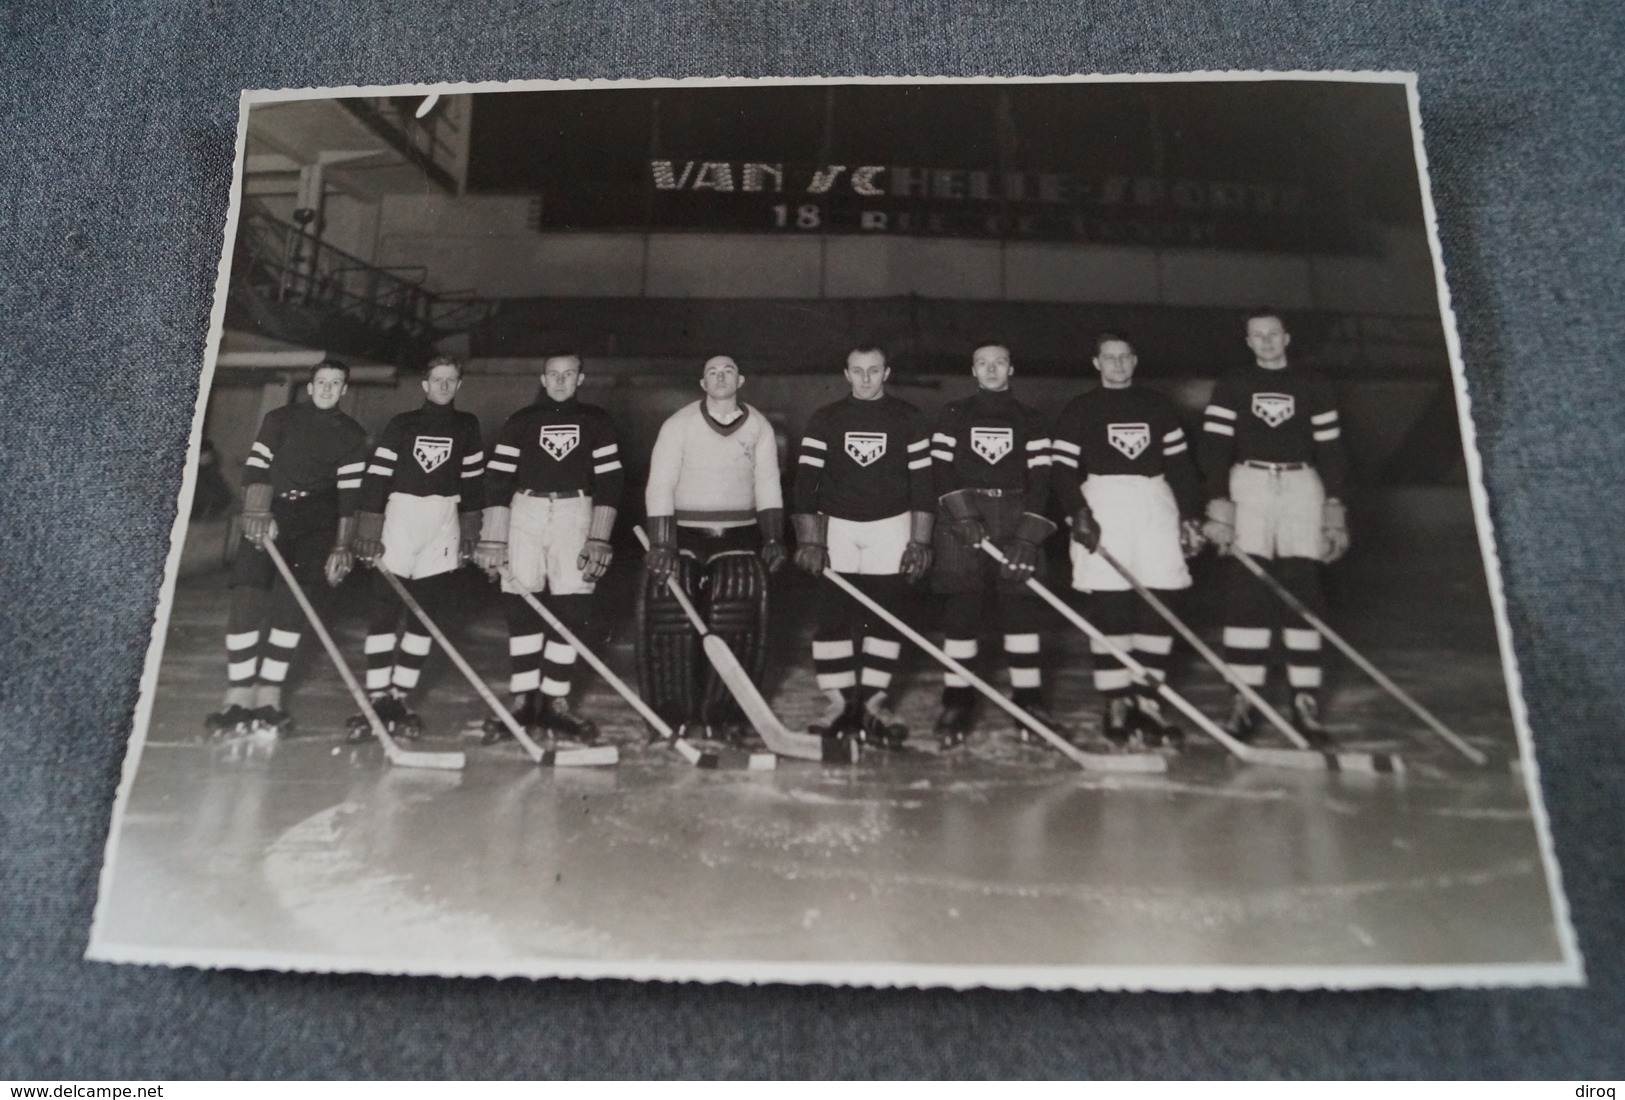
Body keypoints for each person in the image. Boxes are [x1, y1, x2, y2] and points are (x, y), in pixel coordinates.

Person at [1198, 309, 1350, 746]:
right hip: (1249, 482)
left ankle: (1304, 699)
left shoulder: (1313, 384)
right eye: (1257, 336)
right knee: (1247, 586)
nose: (1266, 341)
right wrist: (1219, 503)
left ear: (1287, 337)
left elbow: (1333, 451)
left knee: (1303, 585)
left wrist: (1334, 507)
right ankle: (1244, 699)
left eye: (1273, 334)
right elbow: (1214, 448)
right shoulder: (1234, 384)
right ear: (1248, 342)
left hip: (1303, 484)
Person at [1050, 333, 1204, 749]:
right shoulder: (1081, 408)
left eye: (1124, 357)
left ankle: (1148, 700)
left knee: (1159, 600)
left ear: (1134, 362)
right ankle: (1116, 701)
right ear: (1096, 363)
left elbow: (1181, 466)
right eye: (1108, 358)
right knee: (1112, 603)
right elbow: (1061, 468)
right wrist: (1076, 511)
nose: (1117, 364)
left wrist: (1191, 515)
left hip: (1154, 500)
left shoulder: (1158, 405)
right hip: (1104, 502)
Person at [205, 360, 368, 737]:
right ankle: (239, 693)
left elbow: (350, 494)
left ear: (344, 391)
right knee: (248, 597)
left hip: (316, 521)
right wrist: (258, 510)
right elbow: (256, 468)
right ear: (310, 387)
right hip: (271, 510)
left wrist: (342, 545)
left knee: (291, 607)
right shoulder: (280, 418)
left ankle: (269, 695)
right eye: (321, 382)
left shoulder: (352, 433)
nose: (328, 389)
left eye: (336, 383)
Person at [471, 354, 624, 744]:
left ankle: (556, 701)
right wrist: (492, 535)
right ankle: (523, 700)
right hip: (526, 510)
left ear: (581, 378)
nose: (559, 381)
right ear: (542, 378)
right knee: (521, 602)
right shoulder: (522, 420)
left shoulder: (597, 420)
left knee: (572, 606)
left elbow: (610, 480)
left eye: (568, 374)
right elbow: (497, 477)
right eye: (553, 375)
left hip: (576, 511)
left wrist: (599, 535)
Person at [790, 345, 935, 749]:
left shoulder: (909, 418)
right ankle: (837, 703)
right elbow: (805, 481)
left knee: (884, 617)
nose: (866, 379)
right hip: (837, 527)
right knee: (832, 616)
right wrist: (810, 539)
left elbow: (924, 484)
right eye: (858, 371)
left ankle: (872, 702)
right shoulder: (826, 418)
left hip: (891, 525)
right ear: (846, 373)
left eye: (874, 371)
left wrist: (920, 539)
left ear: (887, 372)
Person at [639, 355, 786, 744]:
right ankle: (671, 712)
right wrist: (662, 544)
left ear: (742, 379)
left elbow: (768, 483)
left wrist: (772, 537)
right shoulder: (679, 424)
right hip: (685, 533)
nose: (720, 377)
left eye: (728, 371)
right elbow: (660, 485)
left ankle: (725, 713)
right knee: (669, 604)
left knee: (737, 606)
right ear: (702, 383)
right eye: (712, 372)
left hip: (738, 535)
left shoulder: (758, 426)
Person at [928, 341, 1057, 747]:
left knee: (1020, 608)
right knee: (962, 609)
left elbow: (1042, 479)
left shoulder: (1031, 419)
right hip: (963, 515)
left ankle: (1030, 700)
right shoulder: (954, 413)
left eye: (999, 363)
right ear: (973, 370)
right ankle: (957, 701)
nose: (991, 370)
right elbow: (940, 467)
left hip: (1015, 513)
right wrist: (962, 514)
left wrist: (1028, 537)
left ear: (1011, 369)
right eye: (983, 363)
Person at [349, 354, 485, 739]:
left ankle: (399, 697)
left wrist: (472, 530)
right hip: (400, 515)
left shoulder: (467, 425)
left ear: (459, 385)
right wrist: (369, 527)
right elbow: (377, 476)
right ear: (424, 385)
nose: (443, 386)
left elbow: (474, 481)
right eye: (437, 379)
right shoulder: (403, 423)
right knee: (384, 610)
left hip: (443, 519)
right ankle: (377, 697)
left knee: (424, 614)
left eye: (451, 380)